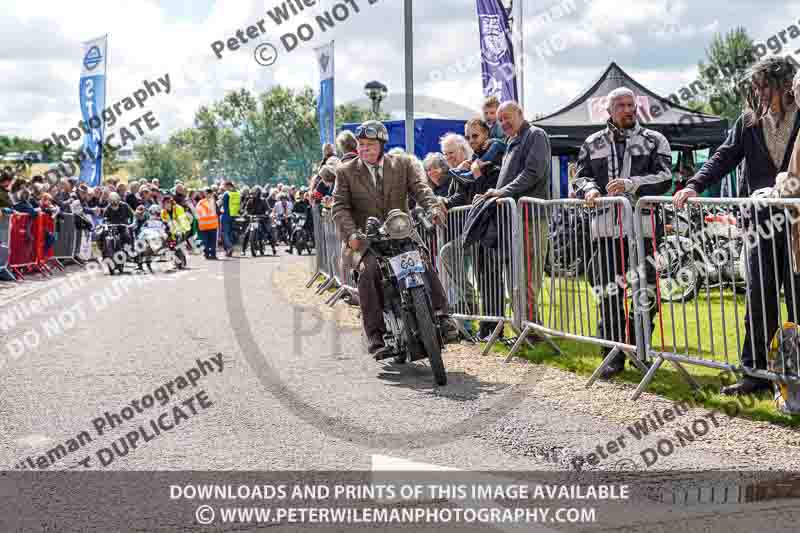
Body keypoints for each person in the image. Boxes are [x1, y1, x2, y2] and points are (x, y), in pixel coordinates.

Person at [674, 57, 800, 395]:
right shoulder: (748, 121)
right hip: (760, 221)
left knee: (798, 297)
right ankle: (756, 374)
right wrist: (694, 184)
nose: (757, 92)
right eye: (755, 85)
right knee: (760, 297)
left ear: (786, 84)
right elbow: (724, 155)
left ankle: (795, 378)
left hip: (798, 223)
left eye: (764, 85)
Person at [331, 120, 458, 358]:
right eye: (361, 144)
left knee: (422, 260)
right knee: (368, 273)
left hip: (400, 232)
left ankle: (443, 316)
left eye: (369, 144)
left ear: (381, 145)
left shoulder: (402, 164)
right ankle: (376, 337)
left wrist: (433, 206)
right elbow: (339, 208)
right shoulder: (345, 172)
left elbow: (420, 189)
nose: (364, 149)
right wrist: (351, 235)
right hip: (366, 239)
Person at [579, 87, 673, 379]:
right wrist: (590, 188)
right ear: (609, 111)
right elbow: (580, 176)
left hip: (643, 230)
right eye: (620, 105)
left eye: (631, 104)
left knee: (647, 294)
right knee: (607, 293)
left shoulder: (654, 140)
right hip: (605, 231)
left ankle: (639, 348)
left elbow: (666, 178)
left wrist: (631, 183)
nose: (627, 109)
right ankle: (612, 354)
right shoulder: (592, 142)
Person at [241, 186, 275, 256]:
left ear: (259, 193)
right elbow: (246, 209)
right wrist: (245, 213)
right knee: (246, 234)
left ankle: (273, 247)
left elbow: (268, 209)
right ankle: (243, 250)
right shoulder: (250, 201)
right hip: (252, 219)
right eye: (253, 193)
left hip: (262, 219)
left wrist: (266, 213)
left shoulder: (263, 200)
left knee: (268, 232)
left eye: (256, 193)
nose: (254, 195)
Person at [218, 181, 240, 257]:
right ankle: (229, 251)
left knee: (224, 233)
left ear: (228, 186)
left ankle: (230, 247)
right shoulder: (238, 193)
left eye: (225, 186)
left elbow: (220, 203)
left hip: (226, 215)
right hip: (234, 215)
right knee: (230, 232)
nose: (224, 188)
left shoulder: (226, 193)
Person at [196, 189, 219, 260]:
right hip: (211, 225)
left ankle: (206, 254)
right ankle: (212, 254)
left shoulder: (200, 202)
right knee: (212, 241)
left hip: (204, 225)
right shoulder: (213, 202)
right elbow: (218, 212)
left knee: (205, 241)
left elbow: (197, 212)